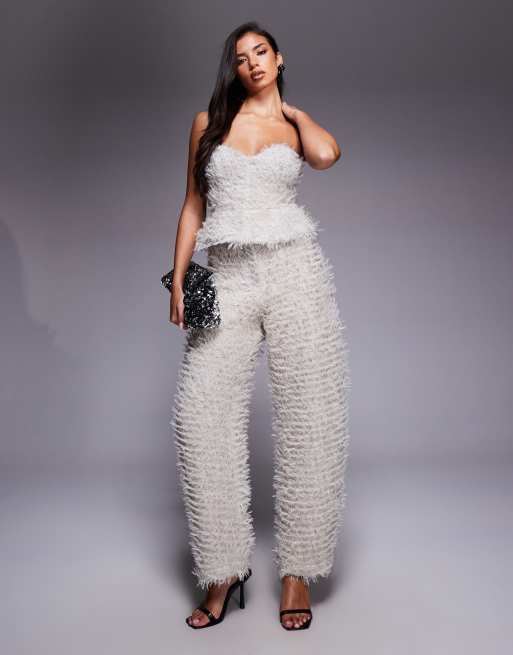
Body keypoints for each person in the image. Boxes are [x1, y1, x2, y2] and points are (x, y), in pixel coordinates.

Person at [169, 21, 352, 631]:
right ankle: (222, 569)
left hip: (294, 269)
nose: (252, 63)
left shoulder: (295, 128)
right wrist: (178, 280)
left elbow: (327, 156)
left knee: (312, 416)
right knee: (200, 415)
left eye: (262, 52)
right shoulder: (207, 124)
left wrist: (294, 112)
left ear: (278, 58)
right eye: (242, 56)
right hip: (226, 274)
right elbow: (193, 204)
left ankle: (299, 570)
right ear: (233, 67)